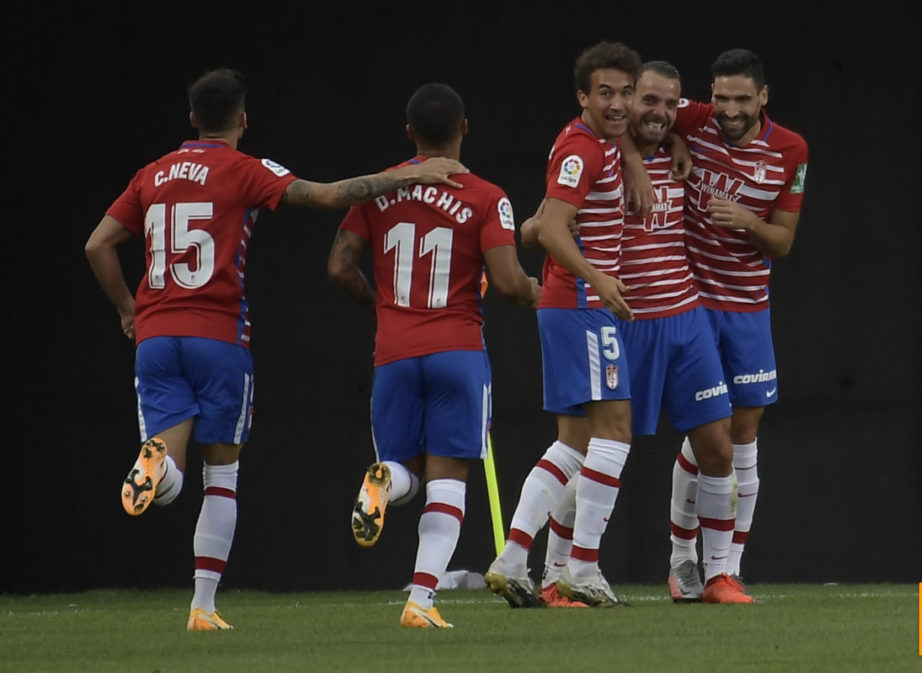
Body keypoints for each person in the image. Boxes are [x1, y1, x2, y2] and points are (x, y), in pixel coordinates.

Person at [84, 67, 466, 632]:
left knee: (172, 471)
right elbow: (329, 195)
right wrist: (408, 175)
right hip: (217, 337)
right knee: (222, 478)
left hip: (158, 336)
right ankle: (203, 606)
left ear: (192, 119)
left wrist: (126, 308)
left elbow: (97, 244)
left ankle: (156, 463)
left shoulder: (152, 174)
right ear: (242, 120)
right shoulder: (245, 170)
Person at [537, 61, 753, 604]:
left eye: (670, 105)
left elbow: (701, 121)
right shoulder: (599, 154)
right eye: (646, 101)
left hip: (685, 320)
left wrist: (673, 138)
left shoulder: (686, 152)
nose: (657, 112)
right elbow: (541, 224)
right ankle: (555, 571)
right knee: (586, 450)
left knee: (718, 448)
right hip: (622, 322)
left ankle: (715, 574)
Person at [327, 82, 540, 628]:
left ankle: (383, 480)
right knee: (447, 480)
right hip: (457, 349)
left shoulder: (379, 189)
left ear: (409, 133)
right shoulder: (486, 196)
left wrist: (382, 308)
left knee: (406, 473)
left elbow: (338, 266)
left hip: (394, 351)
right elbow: (511, 283)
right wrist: (546, 292)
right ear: (465, 128)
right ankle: (420, 601)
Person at [483, 41, 641, 608]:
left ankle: (512, 557)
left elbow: (538, 225)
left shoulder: (597, 143)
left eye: (627, 92)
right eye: (606, 93)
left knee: (573, 442)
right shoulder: (582, 148)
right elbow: (550, 229)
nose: (619, 103)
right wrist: (599, 280)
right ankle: (582, 566)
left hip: (568, 303)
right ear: (583, 96)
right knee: (615, 430)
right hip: (581, 304)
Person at [666, 48, 809, 589]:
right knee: (711, 436)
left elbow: (784, 242)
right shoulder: (694, 120)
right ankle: (684, 557)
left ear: (763, 97)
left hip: (748, 308)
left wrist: (749, 220)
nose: (727, 110)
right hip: (692, 302)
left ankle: (728, 569)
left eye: (741, 100)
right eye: (720, 98)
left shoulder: (790, 150)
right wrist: (676, 139)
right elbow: (634, 113)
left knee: (740, 437)